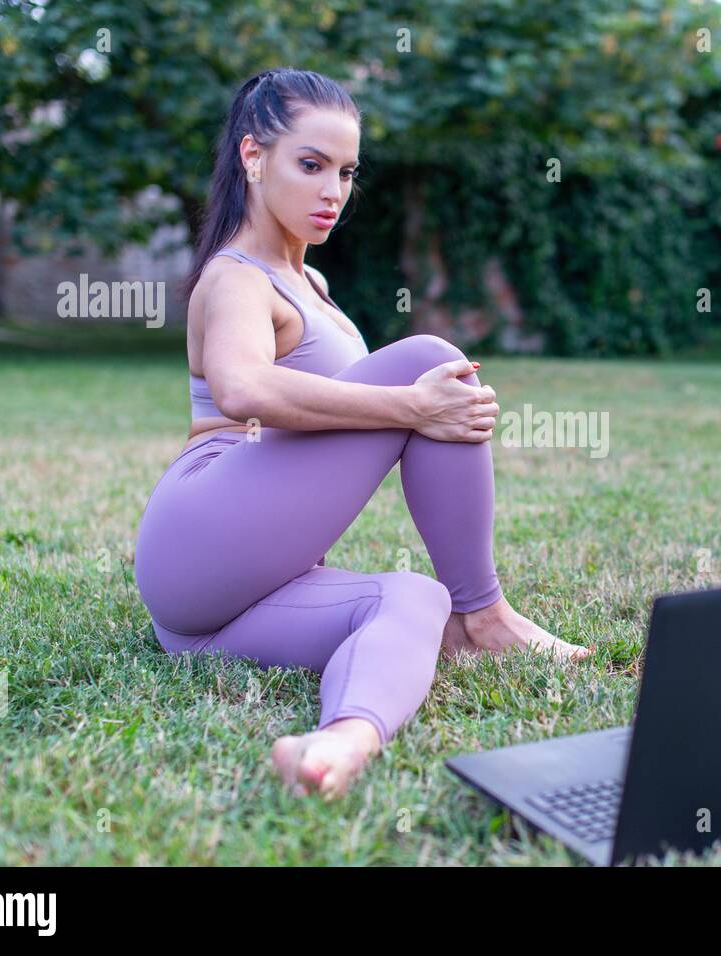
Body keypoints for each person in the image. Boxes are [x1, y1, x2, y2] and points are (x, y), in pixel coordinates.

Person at [134, 67, 591, 800]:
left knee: (412, 599)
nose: (333, 191)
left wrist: (417, 407)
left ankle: (337, 744)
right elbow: (243, 388)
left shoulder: (313, 286)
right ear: (254, 158)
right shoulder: (237, 278)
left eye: (346, 171)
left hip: (210, 620)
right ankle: (487, 610)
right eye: (309, 165)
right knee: (430, 362)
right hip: (197, 534)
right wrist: (413, 406)